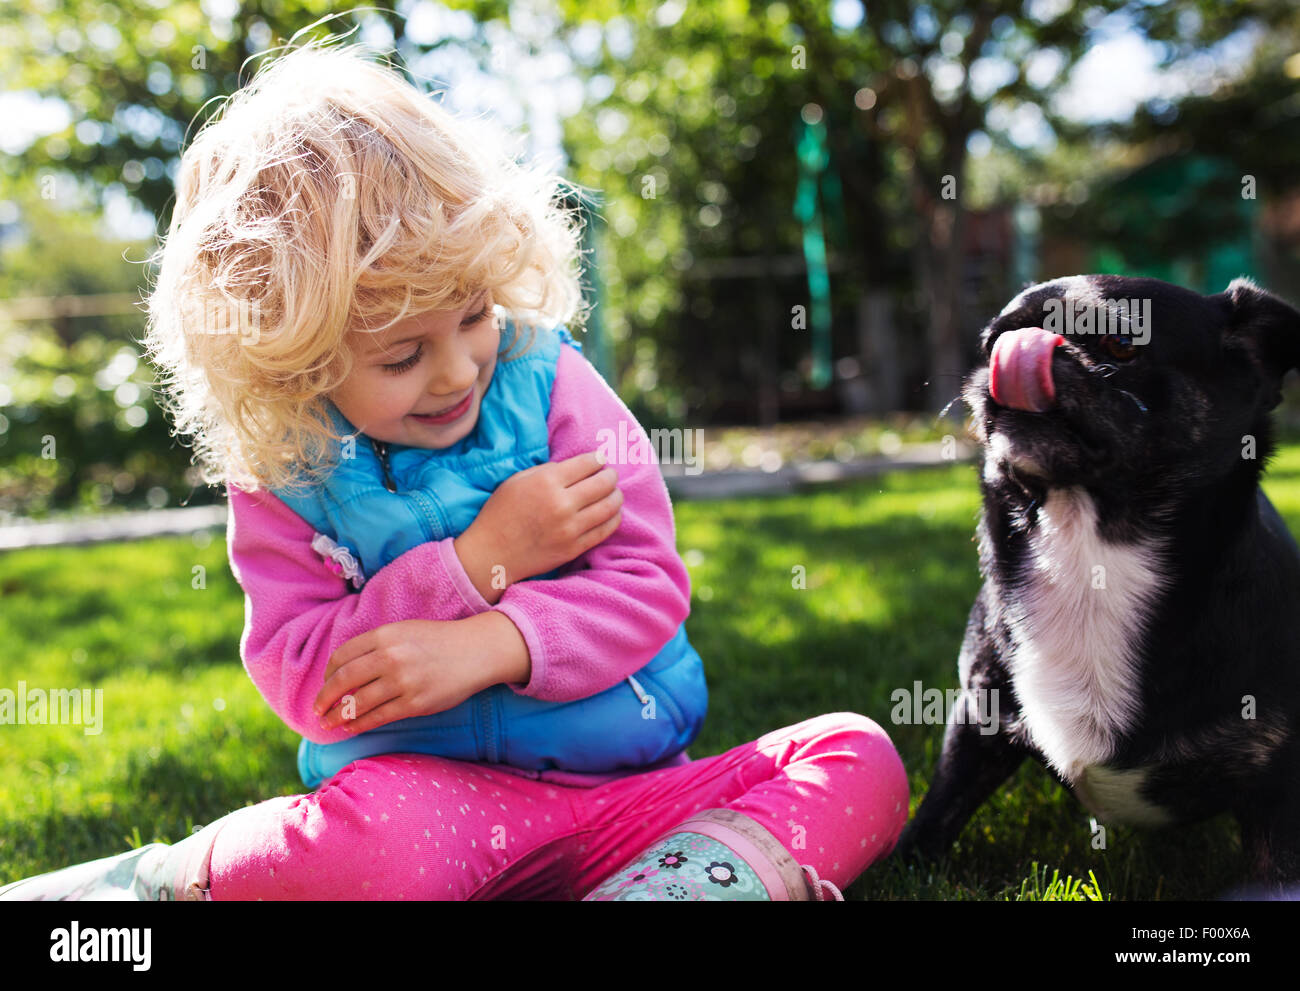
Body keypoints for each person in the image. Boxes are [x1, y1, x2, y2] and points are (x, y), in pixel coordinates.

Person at [0, 40, 909, 901]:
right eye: (402, 356)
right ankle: (155, 884)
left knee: (854, 756)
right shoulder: (285, 466)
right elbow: (311, 681)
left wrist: (496, 641)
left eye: (473, 313)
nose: (460, 370)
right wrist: (475, 564)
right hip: (430, 822)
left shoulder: (549, 382)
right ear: (297, 360)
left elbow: (648, 584)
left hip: (636, 798)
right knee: (353, 850)